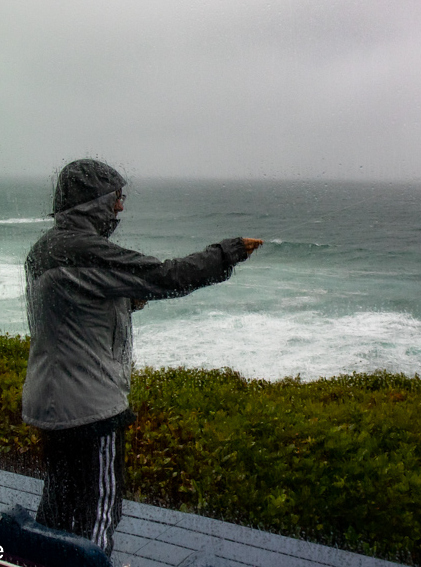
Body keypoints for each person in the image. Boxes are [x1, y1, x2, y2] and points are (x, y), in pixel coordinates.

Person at [22, 159, 261, 555]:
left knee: (59, 506)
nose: (119, 208)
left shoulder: (45, 249)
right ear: (93, 203)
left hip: (50, 399)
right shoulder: (84, 249)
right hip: (90, 406)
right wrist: (227, 253)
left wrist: (123, 303)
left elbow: (64, 311)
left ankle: (37, 561)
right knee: (98, 511)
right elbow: (167, 276)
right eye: (115, 198)